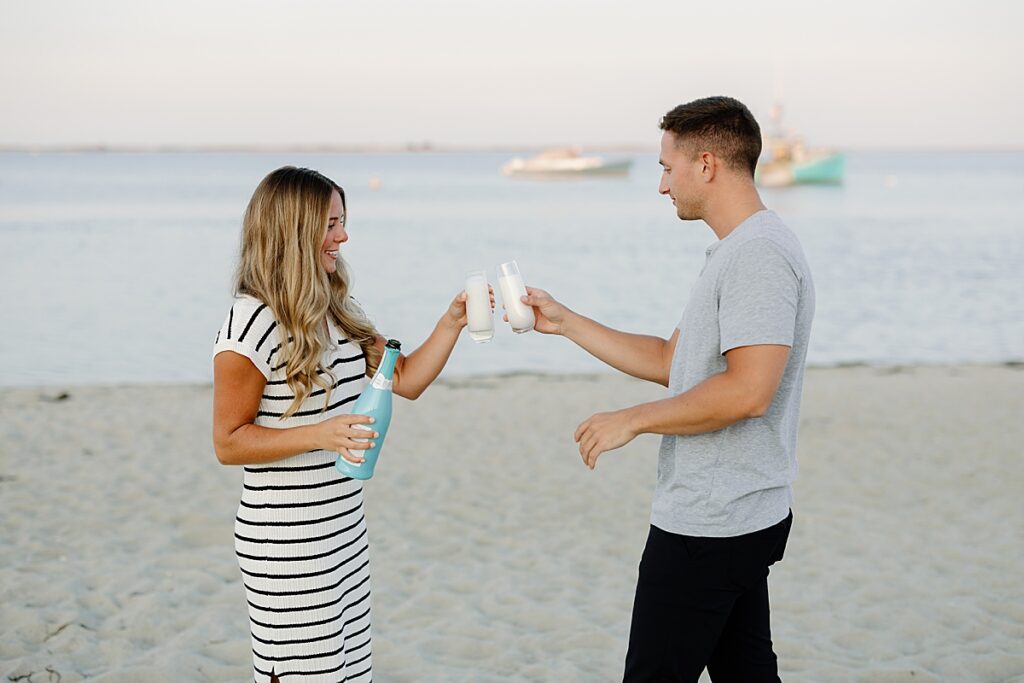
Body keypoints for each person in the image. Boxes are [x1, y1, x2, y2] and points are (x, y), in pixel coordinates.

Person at [520, 97, 815, 681]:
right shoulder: (737, 250)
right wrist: (567, 322)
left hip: (712, 521)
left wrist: (634, 419)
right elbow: (671, 359)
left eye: (665, 166)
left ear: (706, 164)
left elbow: (749, 390)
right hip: (734, 514)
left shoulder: (757, 255)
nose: (661, 185)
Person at [212, 166, 486, 683]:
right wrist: (321, 434)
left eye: (343, 221)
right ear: (296, 228)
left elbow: (405, 380)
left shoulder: (336, 306)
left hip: (343, 531)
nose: (343, 236)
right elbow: (228, 442)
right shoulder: (250, 321)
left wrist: (452, 321)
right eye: (332, 223)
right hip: (287, 543)